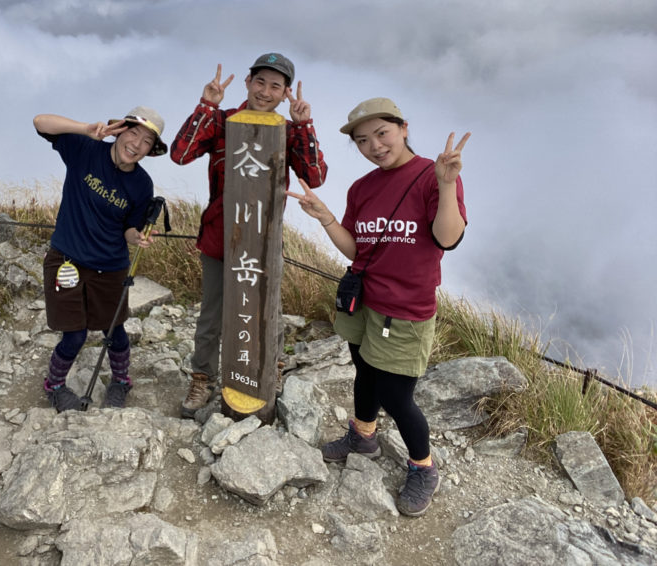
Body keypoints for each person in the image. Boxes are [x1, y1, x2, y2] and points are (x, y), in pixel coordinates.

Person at [287, 97, 470, 517]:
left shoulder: (433, 175)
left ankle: (423, 467)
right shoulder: (362, 188)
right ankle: (362, 435)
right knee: (365, 373)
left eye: (382, 134)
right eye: (363, 140)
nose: (375, 145)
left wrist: (446, 184)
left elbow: (447, 238)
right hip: (362, 301)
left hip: (405, 309)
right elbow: (357, 248)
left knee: (396, 395)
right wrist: (326, 218)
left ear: (403, 128)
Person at [171, 54, 327, 418]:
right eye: (260, 82)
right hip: (218, 238)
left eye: (276, 86)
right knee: (212, 314)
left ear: (286, 92)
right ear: (247, 82)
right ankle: (203, 376)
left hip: (265, 240)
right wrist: (207, 104)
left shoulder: (288, 131)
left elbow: (315, 177)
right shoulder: (223, 122)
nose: (266, 91)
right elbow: (180, 154)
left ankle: (269, 368)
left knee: (267, 307)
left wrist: (304, 126)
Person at [34, 106, 166, 412]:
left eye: (147, 141)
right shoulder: (85, 149)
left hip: (110, 266)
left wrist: (138, 237)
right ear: (119, 130)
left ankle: (121, 382)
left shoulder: (142, 185)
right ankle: (53, 385)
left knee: (114, 330)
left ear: (151, 150)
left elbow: (129, 230)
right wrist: (84, 128)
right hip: (66, 260)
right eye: (133, 132)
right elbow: (40, 121)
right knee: (75, 334)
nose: (137, 144)